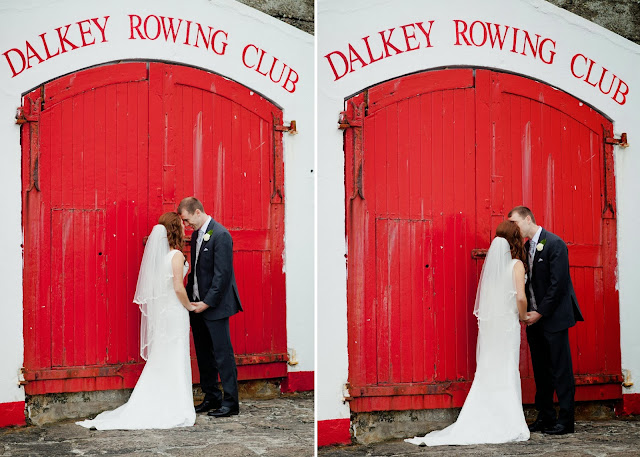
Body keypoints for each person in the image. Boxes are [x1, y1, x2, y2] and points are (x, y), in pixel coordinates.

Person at [406, 221, 530, 446]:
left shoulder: (493, 270)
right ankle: (508, 421)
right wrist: (523, 316)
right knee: (507, 367)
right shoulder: (516, 265)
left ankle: (486, 416)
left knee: (490, 368)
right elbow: (520, 297)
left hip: (493, 329)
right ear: (516, 240)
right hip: (508, 327)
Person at [76, 212, 196, 430]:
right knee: (176, 353)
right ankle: (177, 404)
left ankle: (160, 399)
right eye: (181, 224)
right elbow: (178, 287)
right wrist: (190, 306)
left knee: (164, 354)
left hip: (164, 314)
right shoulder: (176, 255)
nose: (184, 227)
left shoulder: (160, 259)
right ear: (175, 230)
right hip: (174, 311)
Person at [509, 206, 583, 435]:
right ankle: (546, 416)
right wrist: (527, 313)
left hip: (554, 318)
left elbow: (558, 285)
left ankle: (566, 420)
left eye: (515, 222)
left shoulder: (555, 243)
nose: (514, 228)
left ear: (527, 219)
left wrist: (539, 312)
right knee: (541, 371)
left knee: (561, 370)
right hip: (534, 321)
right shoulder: (526, 247)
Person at [178, 197, 243, 418]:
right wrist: (190, 301)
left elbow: (222, 276)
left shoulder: (221, 235)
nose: (186, 225)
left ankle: (231, 402)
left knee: (222, 355)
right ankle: (211, 396)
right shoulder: (197, 235)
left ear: (197, 212)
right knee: (204, 354)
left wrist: (207, 303)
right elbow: (197, 272)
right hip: (196, 305)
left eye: (187, 220)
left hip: (215, 306)